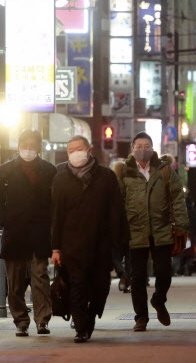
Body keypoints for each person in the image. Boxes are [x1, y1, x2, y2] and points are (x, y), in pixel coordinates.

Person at [51, 135, 127, 343]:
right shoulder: (61, 179)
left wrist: (118, 243)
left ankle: (91, 315)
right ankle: (81, 327)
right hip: (72, 245)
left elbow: (116, 211)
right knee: (77, 285)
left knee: (100, 286)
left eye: (79, 148)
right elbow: (56, 215)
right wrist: (55, 247)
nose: (75, 153)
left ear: (89, 149)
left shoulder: (106, 177)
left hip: (100, 244)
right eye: (70, 150)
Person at [113, 131, 189, 332]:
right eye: (139, 146)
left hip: (161, 229)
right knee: (136, 278)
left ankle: (158, 299)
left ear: (153, 148)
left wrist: (181, 226)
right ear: (132, 149)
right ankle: (141, 317)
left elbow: (177, 199)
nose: (143, 149)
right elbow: (116, 203)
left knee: (164, 272)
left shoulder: (164, 170)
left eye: (147, 146)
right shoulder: (124, 172)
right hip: (134, 231)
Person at [0, 129, 56, 337]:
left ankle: (42, 320)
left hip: (39, 232)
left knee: (40, 277)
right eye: (24, 145)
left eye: (32, 146)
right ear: (18, 146)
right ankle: (21, 320)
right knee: (15, 281)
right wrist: (5, 221)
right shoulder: (6, 169)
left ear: (39, 147)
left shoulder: (48, 170)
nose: (28, 150)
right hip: (15, 232)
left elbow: (55, 202)